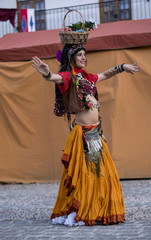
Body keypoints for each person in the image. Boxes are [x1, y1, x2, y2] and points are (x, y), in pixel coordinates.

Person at [32, 44, 140, 226]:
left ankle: (97, 209)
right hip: (83, 136)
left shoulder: (88, 77)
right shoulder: (69, 76)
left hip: (97, 133)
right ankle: (81, 209)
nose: (83, 57)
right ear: (71, 58)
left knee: (102, 174)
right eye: (79, 55)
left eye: (84, 54)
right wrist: (46, 73)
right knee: (85, 176)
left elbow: (104, 75)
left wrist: (121, 67)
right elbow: (55, 78)